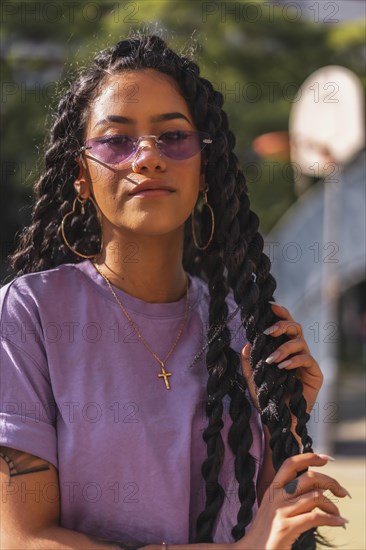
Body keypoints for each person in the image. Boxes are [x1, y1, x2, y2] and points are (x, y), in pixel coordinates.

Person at [0, 33, 350, 550]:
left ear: (204, 167)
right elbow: (23, 539)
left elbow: (277, 528)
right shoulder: (29, 315)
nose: (147, 157)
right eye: (116, 140)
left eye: (173, 137)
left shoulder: (246, 331)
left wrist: (286, 425)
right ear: (80, 174)